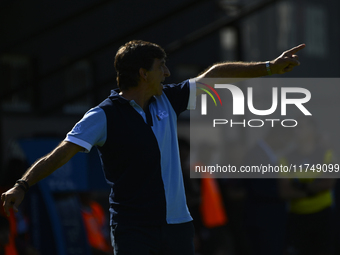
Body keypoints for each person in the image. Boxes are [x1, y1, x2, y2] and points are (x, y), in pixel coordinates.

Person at [1, 40, 305, 255]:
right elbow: (62, 153)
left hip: (177, 226)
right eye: (162, 67)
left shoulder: (169, 100)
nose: (168, 73)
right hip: (134, 228)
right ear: (143, 73)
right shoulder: (103, 115)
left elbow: (214, 75)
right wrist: (23, 184)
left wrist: (269, 67)